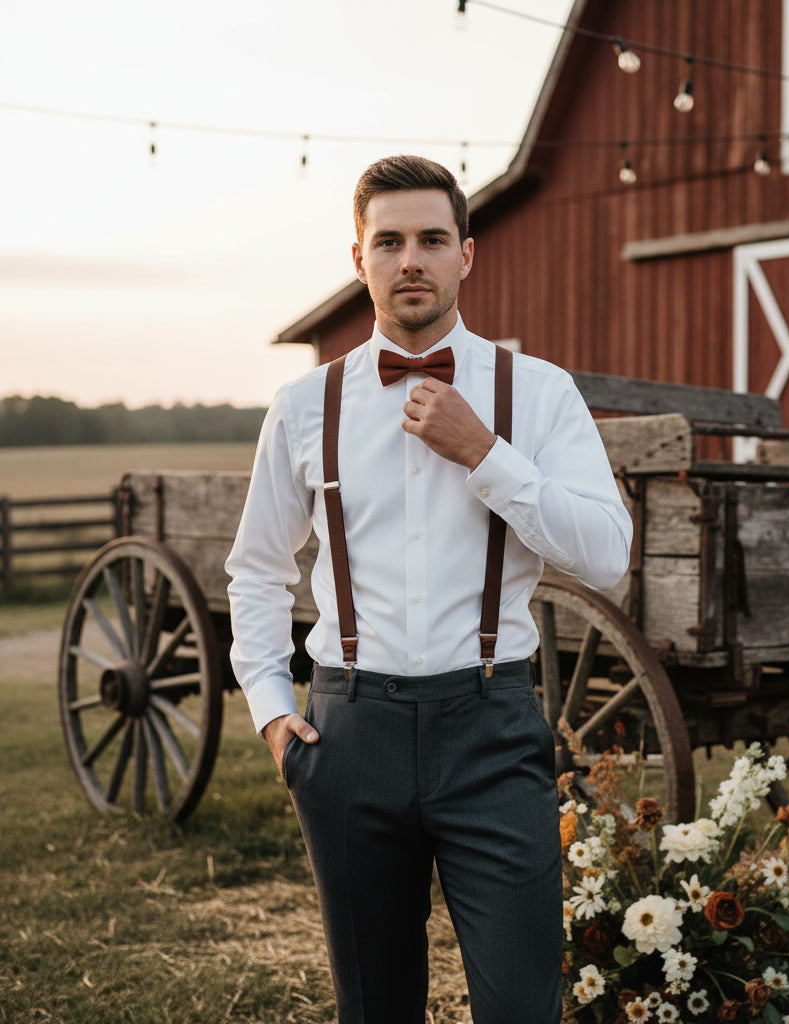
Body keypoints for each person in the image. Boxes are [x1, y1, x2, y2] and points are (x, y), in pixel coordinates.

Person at [225, 154, 631, 1024]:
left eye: (432, 239)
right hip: (348, 736)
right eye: (391, 241)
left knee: (523, 1006)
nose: (411, 259)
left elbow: (608, 555)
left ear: (467, 255)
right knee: (376, 1008)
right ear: (360, 259)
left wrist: (486, 454)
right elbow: (257, 568)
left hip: (490, 731)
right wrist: (270, 710)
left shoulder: (540, 393)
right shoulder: (304, 407)